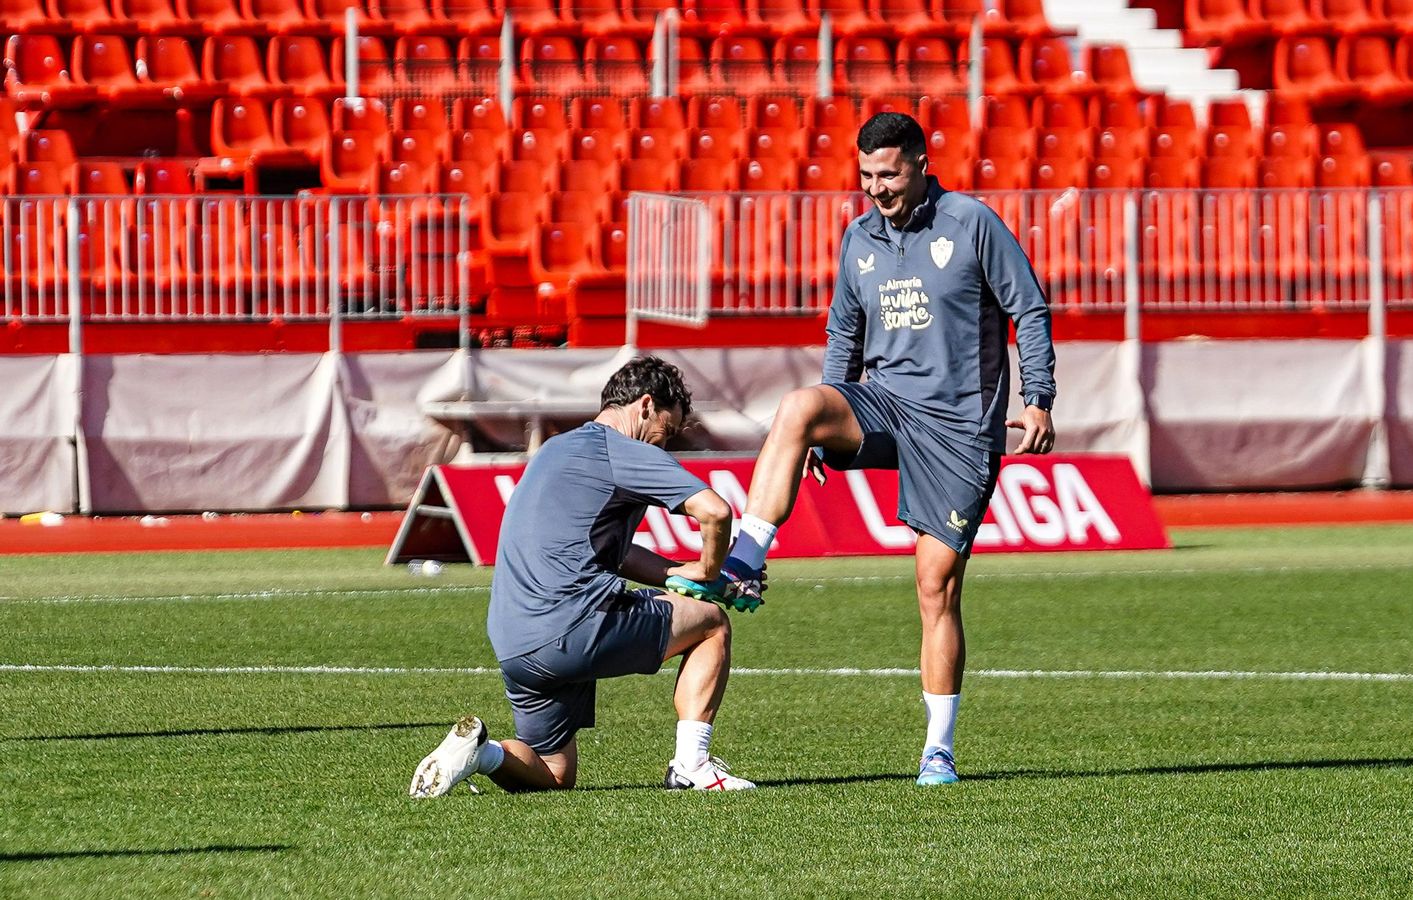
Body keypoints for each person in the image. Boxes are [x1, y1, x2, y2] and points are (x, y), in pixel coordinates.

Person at [682, 112, 1058, 786]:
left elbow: (1028, 308)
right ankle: (745, 559)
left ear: (918, 162)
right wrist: (828, 419)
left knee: (934, 588)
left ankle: (937, 749)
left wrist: (1039, 398)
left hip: (957, 430)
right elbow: (842, 337)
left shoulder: (970, 223)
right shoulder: (858, 240)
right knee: (798, 407)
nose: (875, 188)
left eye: (887, 174)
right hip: (884, 403)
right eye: (864, 176)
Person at [409, 356, 759, 796]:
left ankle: (483, 752)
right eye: (666, 434)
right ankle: (693, 766)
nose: (663, 449)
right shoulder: (621, 450)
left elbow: (615, 553)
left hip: (515, 642)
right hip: (571, 625)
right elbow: (715, 510)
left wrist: (681, 573)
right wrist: (710, 577)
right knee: (711, 623)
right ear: (645, 405)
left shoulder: (555, 450)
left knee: (555, 774)